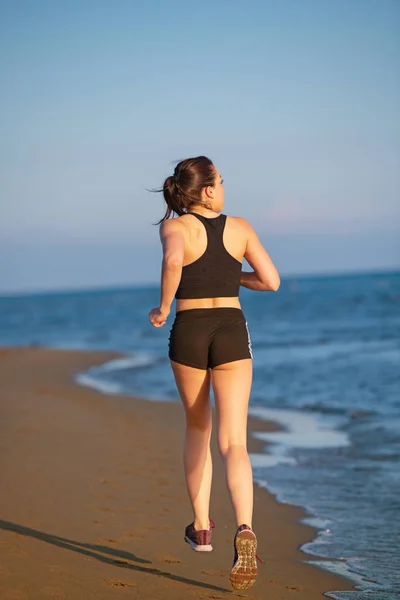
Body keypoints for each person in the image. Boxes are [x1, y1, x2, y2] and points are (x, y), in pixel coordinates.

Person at [149, 156, 280, 590]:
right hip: (230, 328)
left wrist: (165, 306)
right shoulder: (240, 227)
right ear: (208, 190)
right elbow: (271, 281)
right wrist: (231, 276)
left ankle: (202, 528)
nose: (223, 187)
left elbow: (172, 264)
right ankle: (245, 529)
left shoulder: (174, 227)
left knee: (197, 428)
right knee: (234, 441)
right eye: (221, 181)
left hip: (188, 330)